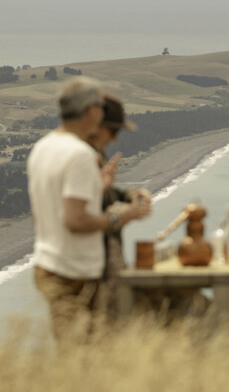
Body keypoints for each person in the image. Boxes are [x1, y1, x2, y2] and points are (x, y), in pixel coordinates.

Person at [27, 77, 150, 344]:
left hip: (48, 264)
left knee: (69, 352)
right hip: (76, 271)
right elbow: (75, 220)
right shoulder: (80, 155)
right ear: (92, 110)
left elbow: (42, 213)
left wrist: (99, 187)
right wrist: (123, 215)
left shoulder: (42, 147)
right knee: (90, 358)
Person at [87, 93, 152, 321]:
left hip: (104, 252)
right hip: (91, 258)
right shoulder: (83, 156)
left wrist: (128, 195)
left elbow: (103, 194)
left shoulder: (96, 151)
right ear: (97, 124)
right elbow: (85, 210)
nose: (115, 139)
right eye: (113, 131)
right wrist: (125, 215)